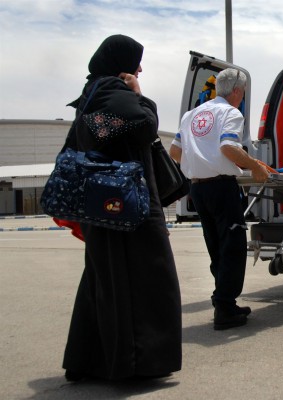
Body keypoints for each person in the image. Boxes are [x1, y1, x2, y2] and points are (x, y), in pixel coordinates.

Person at [62, 34, 182, 381]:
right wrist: (140, 95)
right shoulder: (112, 90)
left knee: (105, 281)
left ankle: (89, 361)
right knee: (146, 279)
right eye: (136, 61)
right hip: (129, 207)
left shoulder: (91, 93)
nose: (139, 68)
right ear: (121, 62)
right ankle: (136, 363)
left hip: (105, 206)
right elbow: (144, 127)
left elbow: (106, 133)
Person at [179, 68, 269, 330]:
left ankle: (224, 303)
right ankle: (225, 307)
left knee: (216, 247)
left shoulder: (191, 114)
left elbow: (175, 150)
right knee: (232, 247)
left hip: (198, 189)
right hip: (221, 188)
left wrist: (198, 163)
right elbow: (228, 147)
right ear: (238, 91)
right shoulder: (231, 112)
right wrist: (254, 166)